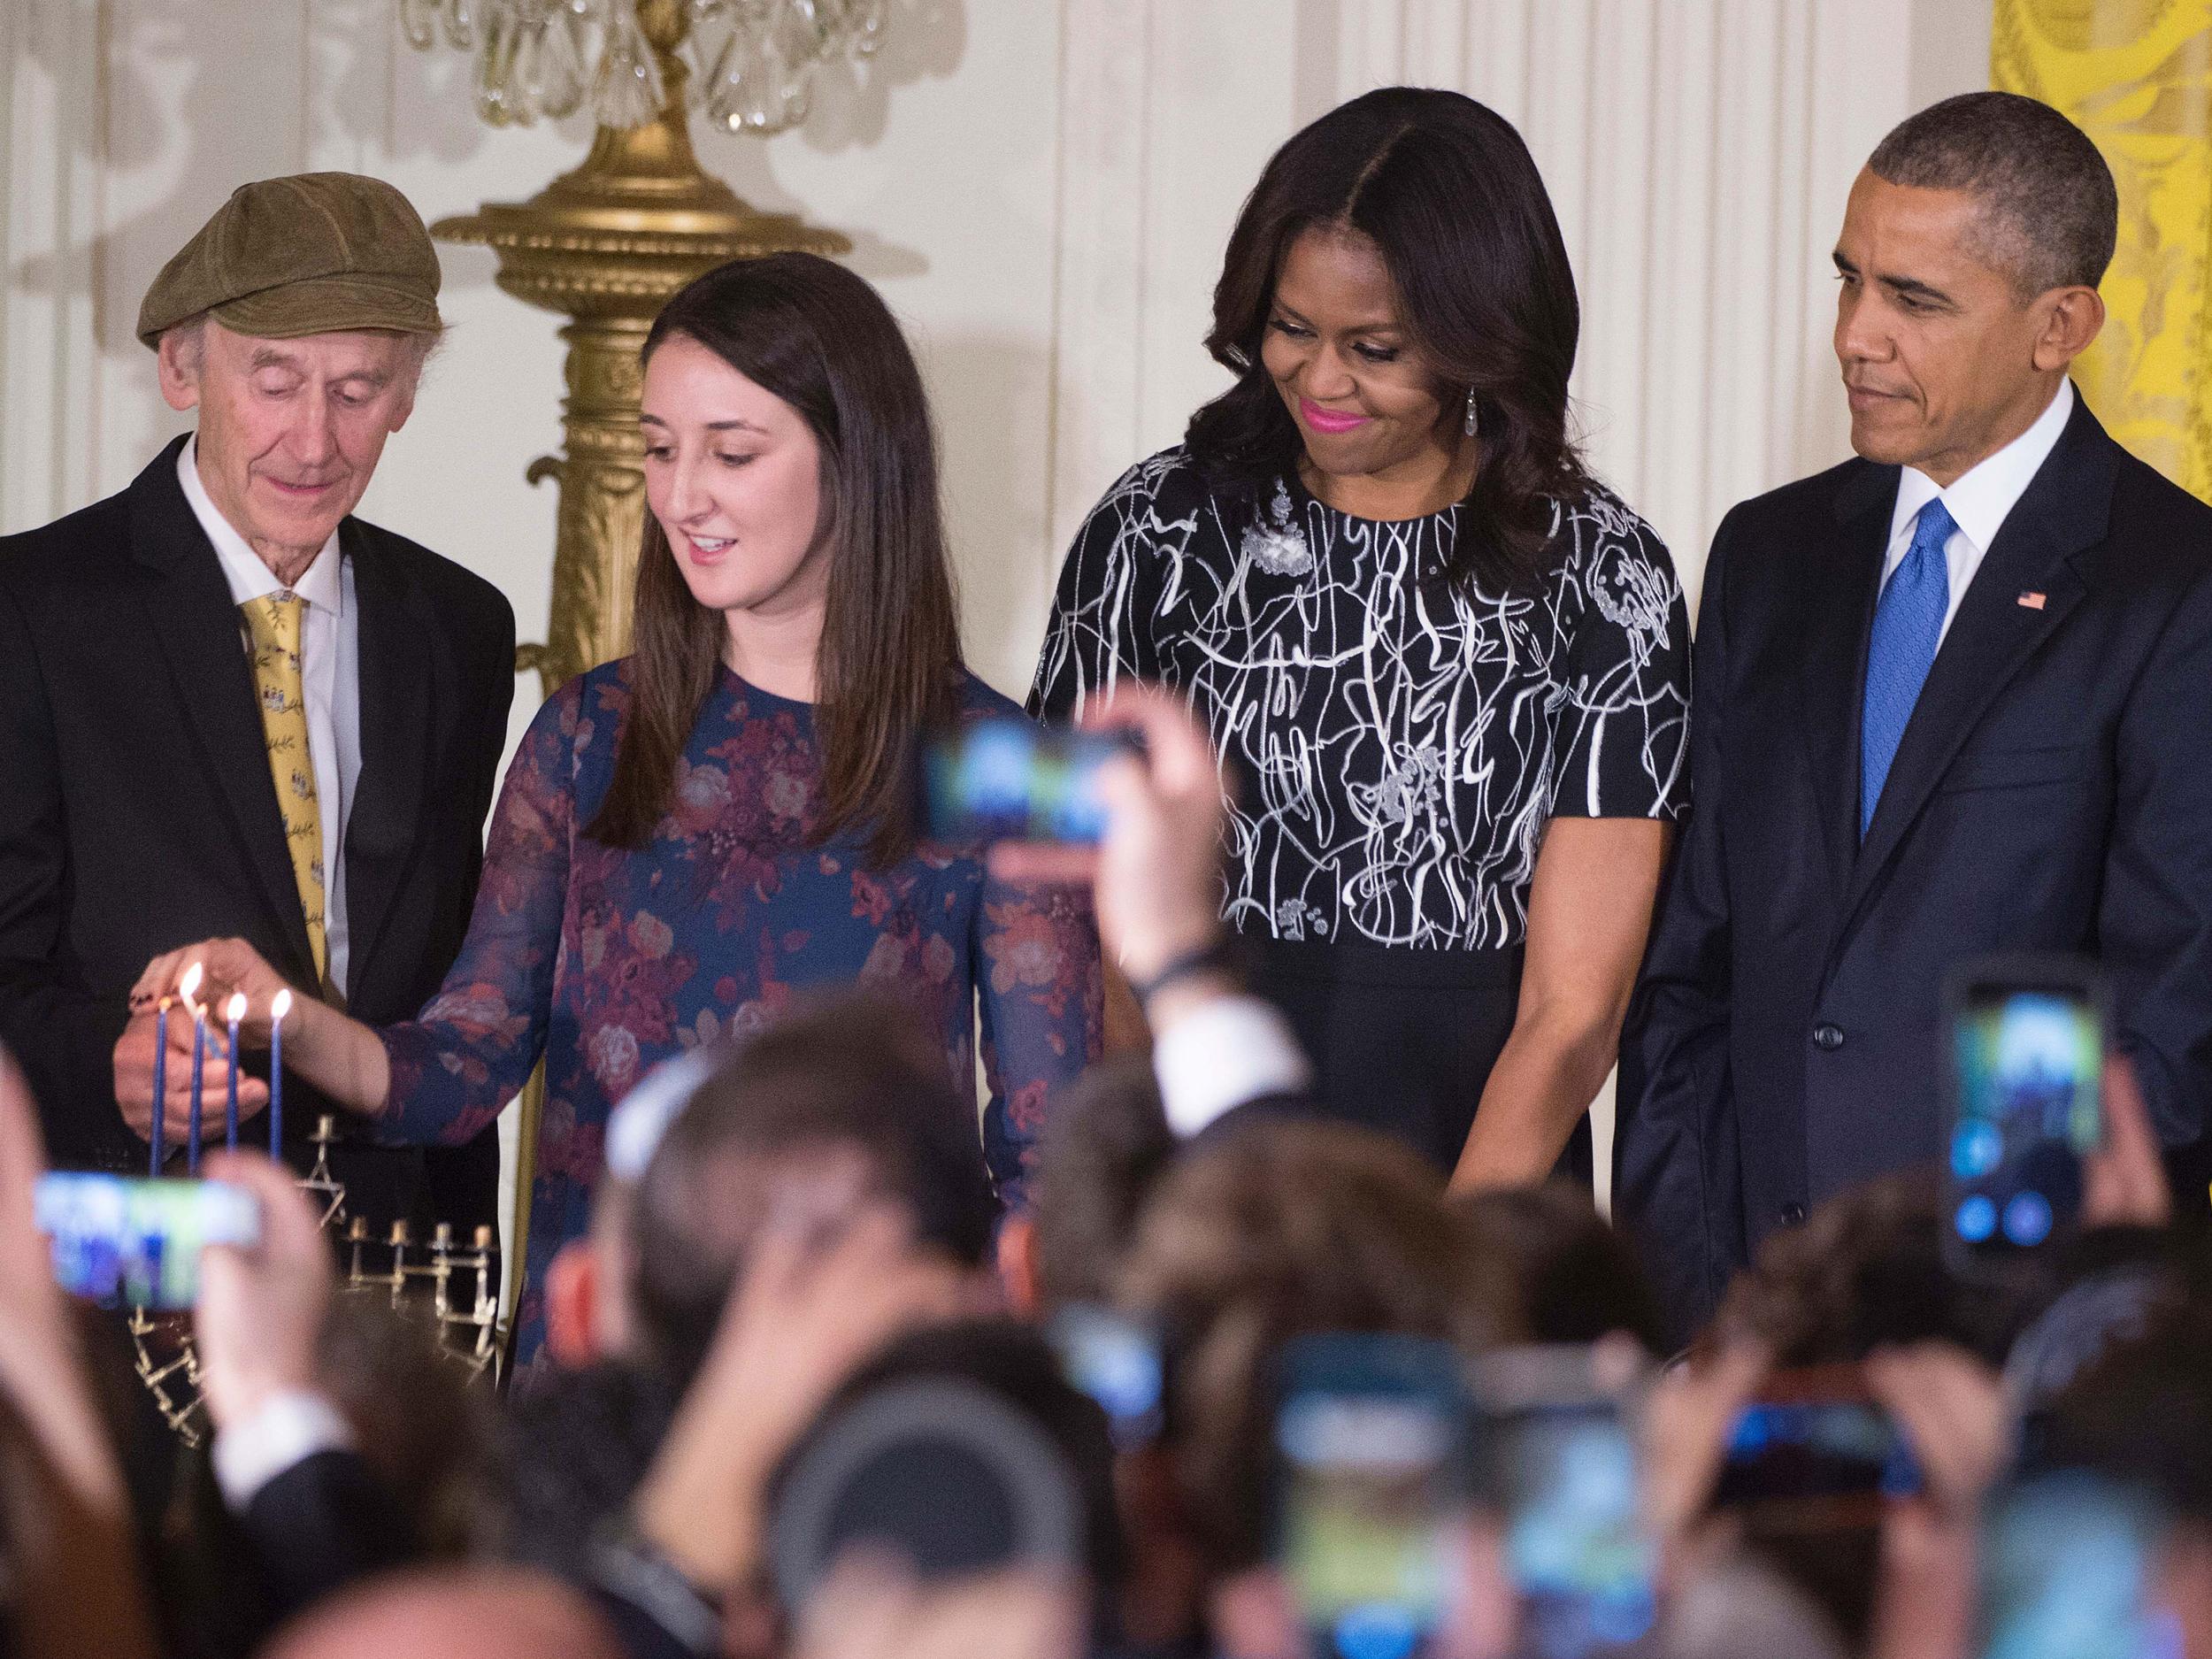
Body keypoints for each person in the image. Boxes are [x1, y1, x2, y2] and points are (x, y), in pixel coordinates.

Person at [138, 253, 1102, 1363]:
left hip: (858, 1384)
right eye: (658, 448)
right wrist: (288, 1018)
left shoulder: (1009, 771)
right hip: (596, 1386)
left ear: (857, 461)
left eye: (732, 452)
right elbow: (460, 1069)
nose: (682, 494)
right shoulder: (587, 735)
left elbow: (1051, 1163)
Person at [1616, 90, 2212, 1345]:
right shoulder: (1770, 552)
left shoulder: (2174, 583)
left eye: (1915, 301)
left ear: (2061, 325)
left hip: (2020, 1334)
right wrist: (1686, 1310)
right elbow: (1693, 972)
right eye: (1850, 282)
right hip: (1755, 1316)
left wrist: (1997, 1317)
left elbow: (2169, 1018)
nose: (1855, 337)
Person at [1031, 86, 1690, 1188]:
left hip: (1482, 1171)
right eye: (1292, 329)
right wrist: (1160, 1199)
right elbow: (1072, 915)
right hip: (1191, 1152)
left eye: (1376, 347)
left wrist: (1449, 1259)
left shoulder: (1603, 572)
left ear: (1483, 341)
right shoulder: (1154, 532)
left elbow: (1575, 1011)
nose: (1321, 380)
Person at [0, 172, 515, 1232]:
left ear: (408, 395)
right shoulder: (30, 610)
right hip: (124, 1282)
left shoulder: (463, 627)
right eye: (275, 381)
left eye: (358, 389)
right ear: (183, 367)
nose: (315, 441)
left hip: (394, 1294)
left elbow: (445, 1002)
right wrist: (110, 1065)